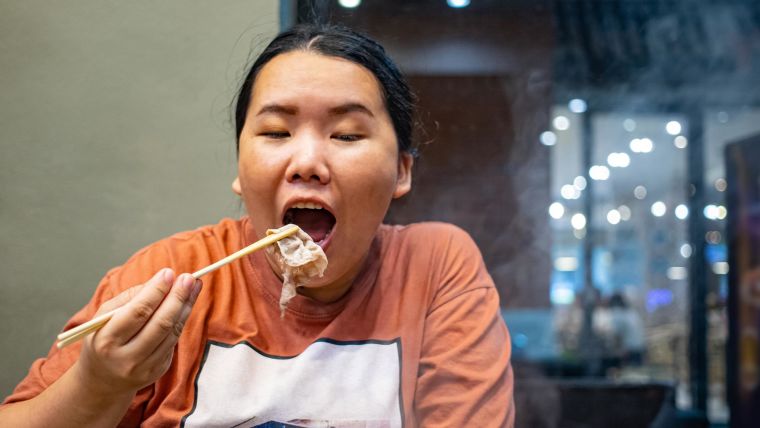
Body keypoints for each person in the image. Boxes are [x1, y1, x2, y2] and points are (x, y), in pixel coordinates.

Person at [0, 24, 514, 427]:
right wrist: (99, 383)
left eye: (348, 135)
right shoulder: (172, 275)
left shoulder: (434, 267)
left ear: (402, 170)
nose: (307, 162)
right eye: (275, 131)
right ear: (239, 171)